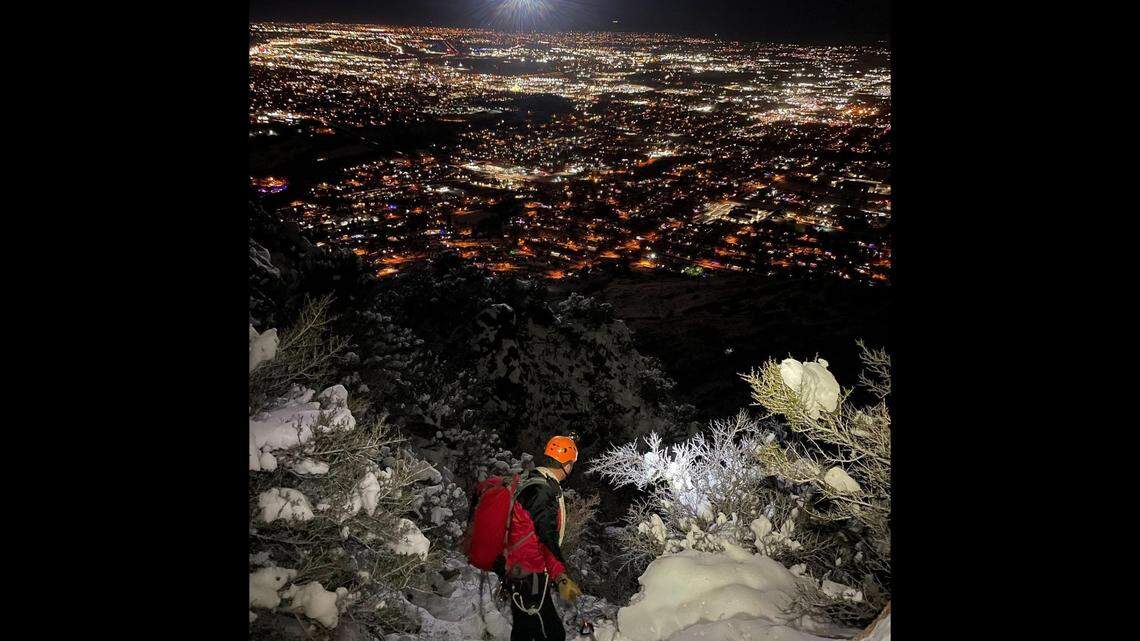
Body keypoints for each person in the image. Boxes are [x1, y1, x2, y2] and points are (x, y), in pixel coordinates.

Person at [498, 435, 584, 641]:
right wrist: (560, 576)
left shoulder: (535, 480)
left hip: (521, 570)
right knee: (550, 632)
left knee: (527, 629)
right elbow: (544, 538)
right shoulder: (542, 492)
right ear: (568, 465)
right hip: (529, 573)